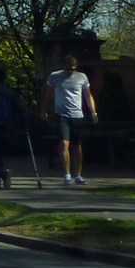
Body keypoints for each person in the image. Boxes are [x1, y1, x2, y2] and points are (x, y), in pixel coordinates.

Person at [44, 54, 98, 185]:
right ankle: (67, 174)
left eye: (72, 69)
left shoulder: (81, 77)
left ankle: (78, 175)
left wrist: (93, 112)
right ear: (63, 67)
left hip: (77, 115)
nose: (69, 72)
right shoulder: (54, 76)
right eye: (67, 69)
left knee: (77, 146)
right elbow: (48, 94)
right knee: (64, 143)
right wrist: (45, 110)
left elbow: (88, 95)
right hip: (61, 114)